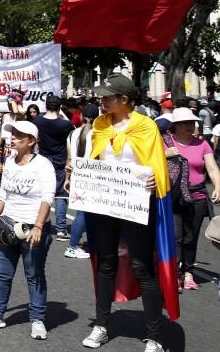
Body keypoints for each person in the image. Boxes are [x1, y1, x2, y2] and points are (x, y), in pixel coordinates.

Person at [81, 73, 176, 352]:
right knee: (106, 262)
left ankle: (155, 336)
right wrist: (81, 169)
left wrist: (152, 180)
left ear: (124, 100)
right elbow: (94, 158)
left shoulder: (145, 126)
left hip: (137, 203)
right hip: (105, 204)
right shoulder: (99, 124)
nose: (101, 100)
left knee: (142, 266)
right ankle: (101, 325)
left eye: (107, 97)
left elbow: (156, 165)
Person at [0, 120, 55, 340]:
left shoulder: (43, 165)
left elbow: (47, 198)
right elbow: (3, 194)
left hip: (32, 229)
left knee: (34, 275)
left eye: (19, 135)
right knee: (2, 274)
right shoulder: (9, 161)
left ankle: (37, 319)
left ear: (31, 141)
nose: (13, 138)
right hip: (7, 227)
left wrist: (39, 225)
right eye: (13, 134)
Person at [164, 107, 220, 291]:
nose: (189, 126)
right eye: (184, 123)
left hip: (197, 196)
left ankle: (188, 272)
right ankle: (176, 274)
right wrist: (165, 155)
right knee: (176, 237)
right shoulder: (165, 143)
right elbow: (150, 163)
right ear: (175, 126)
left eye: (191, 123)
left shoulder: (202, 144)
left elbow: (211, 168)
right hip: (174, 197)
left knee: (191, 237)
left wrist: (218, 186)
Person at [33, 95, 74, 241]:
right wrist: (62, 114)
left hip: (43, 159)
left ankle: (39, 223)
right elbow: (73, 130)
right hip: (60, 160)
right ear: (59, 107)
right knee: (61, 195)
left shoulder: (37, 121)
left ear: (45, 106)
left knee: (41, 193)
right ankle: (61, 229)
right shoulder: (64, 125)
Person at [63, 103, 98, 259]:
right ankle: (73, 246)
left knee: (83, 212)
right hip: (95, 176)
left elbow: (69, 159)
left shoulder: (72, 134)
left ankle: (88, 245)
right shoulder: (98, 133)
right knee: (88, 213)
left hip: (78, 174)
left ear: (82, 116)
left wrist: (67, 178)